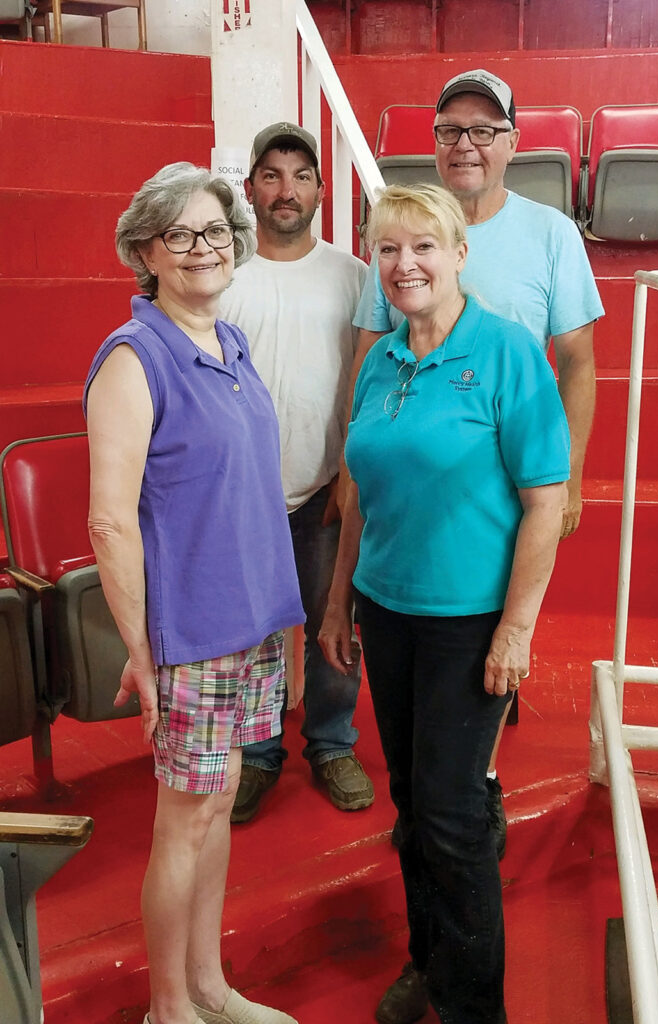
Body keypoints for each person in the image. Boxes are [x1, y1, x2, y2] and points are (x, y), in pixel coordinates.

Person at [319, 183, 570, 1024]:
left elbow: (544, 500)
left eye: (423, 246)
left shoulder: (505, 352)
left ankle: (472, 1009)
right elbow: (358, 492)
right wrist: (336, 603)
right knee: (413, 804)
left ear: (459, 254)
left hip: (470, 623)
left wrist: (517, 629)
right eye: (388, 250)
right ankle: (428, 961)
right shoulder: (382, 360)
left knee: (455, 816)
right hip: (386, 613)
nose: (404, 264)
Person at [351, 68, 604, 857]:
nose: (466, 144)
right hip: (417, 501)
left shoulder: (551, 234)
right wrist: (349, 472)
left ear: (512, 145)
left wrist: (570, 479)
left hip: (506, 491)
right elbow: (369, 356)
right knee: (438, 719)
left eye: (483, 131)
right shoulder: (397, 239)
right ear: (432, 144)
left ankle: (466, 811)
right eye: (451, 130)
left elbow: (579, 363)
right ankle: (448, 816)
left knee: (487, 671)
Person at [84, 162, 303, 1024]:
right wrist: (142, 651)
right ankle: (168, 1007)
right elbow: (110, 522)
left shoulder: (230, 341)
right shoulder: (135, 358)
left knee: (215, 806)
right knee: (184, 819)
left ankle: (210, 987)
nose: (202, 247)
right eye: (180, 234)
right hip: (190, 635)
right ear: (147, 250)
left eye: (215, 231)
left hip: (247, 624)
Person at [219, 122, 374, 821]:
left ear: (319, 188)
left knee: (334, 621)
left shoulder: (355, 278)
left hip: (327, 487)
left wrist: (351, 472)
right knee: (251, 629)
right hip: (241, 494)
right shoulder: (222, 277)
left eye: (301, 175)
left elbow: (373, 382)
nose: (287, 189)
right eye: (272, 175)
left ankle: (333, 743)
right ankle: (256, 753)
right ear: (250, 188)